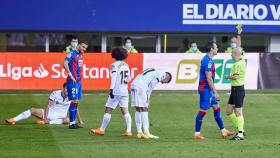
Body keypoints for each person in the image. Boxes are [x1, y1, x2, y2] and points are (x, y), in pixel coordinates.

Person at [194, 41, 234, 140]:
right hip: (206, 90)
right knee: (203, 110)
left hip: (208, 89)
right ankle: (197, 134)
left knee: (216, 107)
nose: (217, 49)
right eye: (216, 47)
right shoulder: (207, 61)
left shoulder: (208, 60)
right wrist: (215, 92)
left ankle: (223, 131)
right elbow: (209, 78)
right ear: (211, 49)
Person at [91, 48, 132, 137]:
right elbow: (129, 78)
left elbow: (114, 77)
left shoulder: (114, 65)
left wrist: (111, 89)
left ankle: (101, 130)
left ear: (115, 55)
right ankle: (128, 131)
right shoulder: (126, 64)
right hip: (124, 91)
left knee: (108, 110)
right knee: (125, 111)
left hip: (116, 91)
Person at [5, 83, 83, 125]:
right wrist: (45, 118)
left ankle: (48, 122)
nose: (67, 91)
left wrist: (80, 120)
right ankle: (13, 120)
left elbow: (75, 108)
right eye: (66, 89)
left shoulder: (72, 96)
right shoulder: (55, 93)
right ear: (63, 88)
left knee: (67, 120)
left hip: (60, 117)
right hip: (49, 113)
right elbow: (48, 106)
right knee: (32, 110)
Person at [131, 68, 172, 139]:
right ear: (167, 77)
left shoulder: (156, 70)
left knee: (138, 109)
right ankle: (147, 132)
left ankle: (139, 132)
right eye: (165, 82)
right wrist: (148, 98)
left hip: (134, 84)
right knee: (144, 109)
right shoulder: (163, 74)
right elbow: (151, 85)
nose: (162, 83)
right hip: (141, 86)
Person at [224, 27, 247, 141]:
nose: (231, 55)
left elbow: (236, 77)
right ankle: (240, 128)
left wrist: (227, 77)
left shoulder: (238, 64)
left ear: (236, 55)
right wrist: (238, 34)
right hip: (234, 89)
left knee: (238, 111)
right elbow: (238, 46)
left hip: (238, 89)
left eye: (232, 54)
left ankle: (241, 134)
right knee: (229, 111)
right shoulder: (242, 58)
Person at [63, 40, 88, 129]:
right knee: (73, 100)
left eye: (85, 48)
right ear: (78, 45)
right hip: (72, 81)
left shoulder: (81, 54)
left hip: (78, 81)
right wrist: (70, 74)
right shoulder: (72, 53)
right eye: (83, 47)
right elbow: (64, 63)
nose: (84, 49)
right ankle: (71, 124)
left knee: (76, 101)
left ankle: (73, 123)